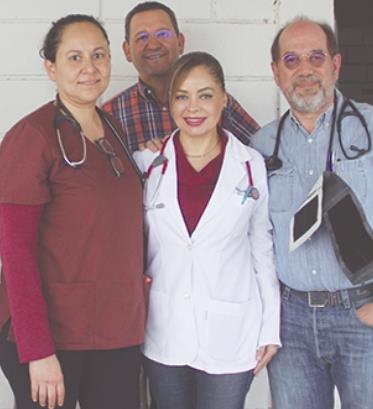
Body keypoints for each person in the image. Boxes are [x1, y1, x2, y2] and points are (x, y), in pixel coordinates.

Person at [249, 16, 373, 409]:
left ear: (335, 64)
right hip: (292, 325)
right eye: (291, 60)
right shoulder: (261, 145)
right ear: (275, 73)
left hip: (365, 316)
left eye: (315, 57)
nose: (304, 69)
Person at [0, 14, 146, 409]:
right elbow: (16, 252)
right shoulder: (33, 137)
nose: (89, 68)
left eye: (98, 55)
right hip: (54, 336)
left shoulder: (114, 131)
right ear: (51, 67)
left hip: (117, 330)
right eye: (74, 57)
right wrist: (37, 351)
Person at [134, 51, 279, 409]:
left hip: (231, 329)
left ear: (224, 99)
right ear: (170, 103)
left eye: (205, 95)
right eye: (182, 96)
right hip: (164, 327)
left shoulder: (249, 165)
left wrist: (270, 328)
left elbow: (262, 248)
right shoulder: (149, 164)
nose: (193, 107)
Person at [103, 1, 260, 151]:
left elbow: (264, 152)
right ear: (127, 50)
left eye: (162, 34)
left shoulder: (216, 102)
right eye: (142, 37)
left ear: (180, 42)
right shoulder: (111, 114)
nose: (153, 45)